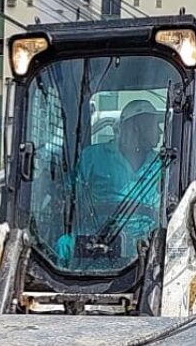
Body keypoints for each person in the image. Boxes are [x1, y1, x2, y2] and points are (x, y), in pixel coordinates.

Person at [59, 99, 167, 264]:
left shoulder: (160, 164)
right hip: (98, 242)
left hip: (147, 249)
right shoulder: (93, 157)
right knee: (63, 246)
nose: (160, 132)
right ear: (136, 127)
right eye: (154, 125)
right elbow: (71, 196)